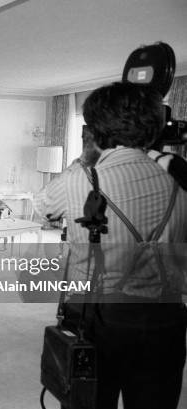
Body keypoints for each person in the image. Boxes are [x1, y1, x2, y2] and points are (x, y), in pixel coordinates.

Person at [34, 82, 187, 409]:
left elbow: (43, 207)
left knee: (88, 402)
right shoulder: (179, 177)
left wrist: (82, 159)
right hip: (165, 318)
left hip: (96, 316)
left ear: (98, 129)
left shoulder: (82, 178)